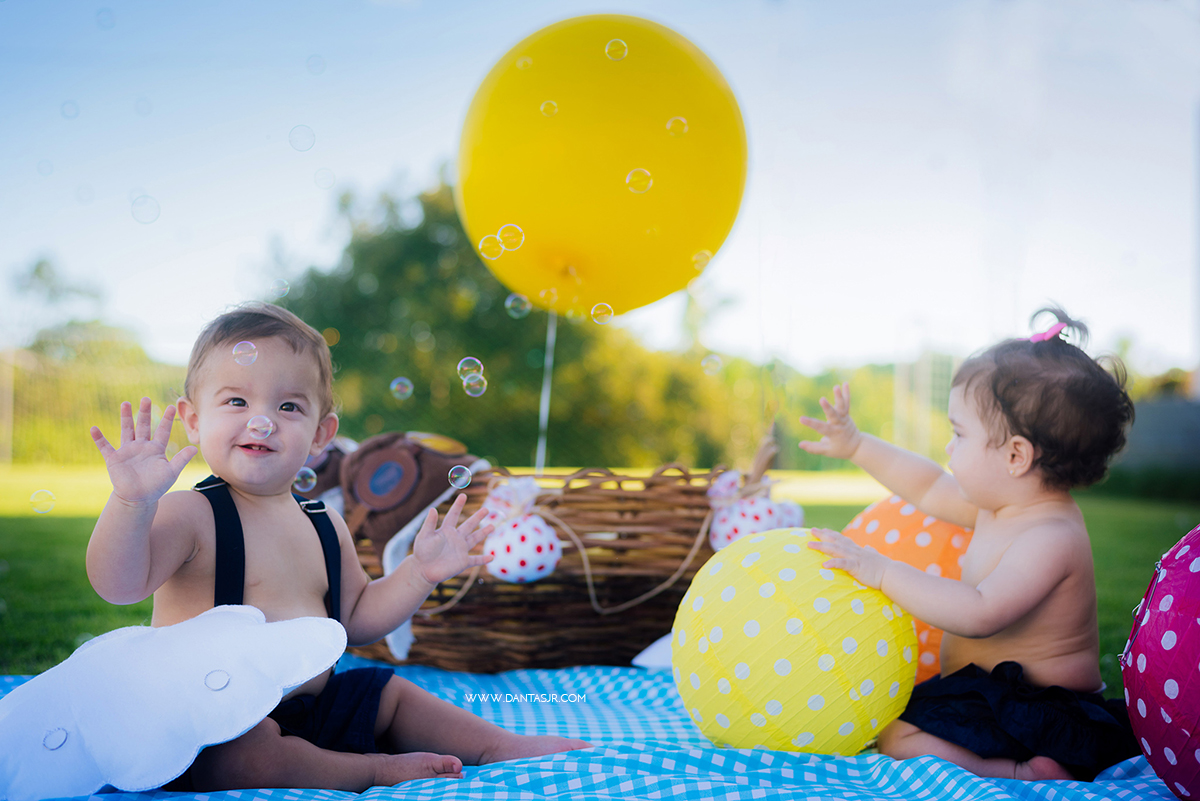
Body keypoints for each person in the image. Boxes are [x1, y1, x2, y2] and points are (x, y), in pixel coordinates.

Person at [86, 302, 590, 791]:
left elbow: (356, 619)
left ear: (321, 434)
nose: (262, 421)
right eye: (237, 401)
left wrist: (420, 572)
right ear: (193, 420)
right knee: (245, 755)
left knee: (388, 692)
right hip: (211, 718)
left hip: (313, 709)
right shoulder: (190, 514)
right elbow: (118, 585)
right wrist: (132, 503)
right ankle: (367, 771)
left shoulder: (325, 522)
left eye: (288, 406)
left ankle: (496, 745)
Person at [799, 307, 1139, 782]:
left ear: (1016, 455)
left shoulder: (1051, 536)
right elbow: (926, 485)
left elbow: (981, 612)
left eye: (959, 434)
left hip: (1043, 710)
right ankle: (1018, 765)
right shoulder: (1000, 507)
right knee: (893, 724)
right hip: (987, 699)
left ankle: (1019, 773)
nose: (948, 448)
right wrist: (857, 445)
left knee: (898, 737)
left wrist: (882, 571)